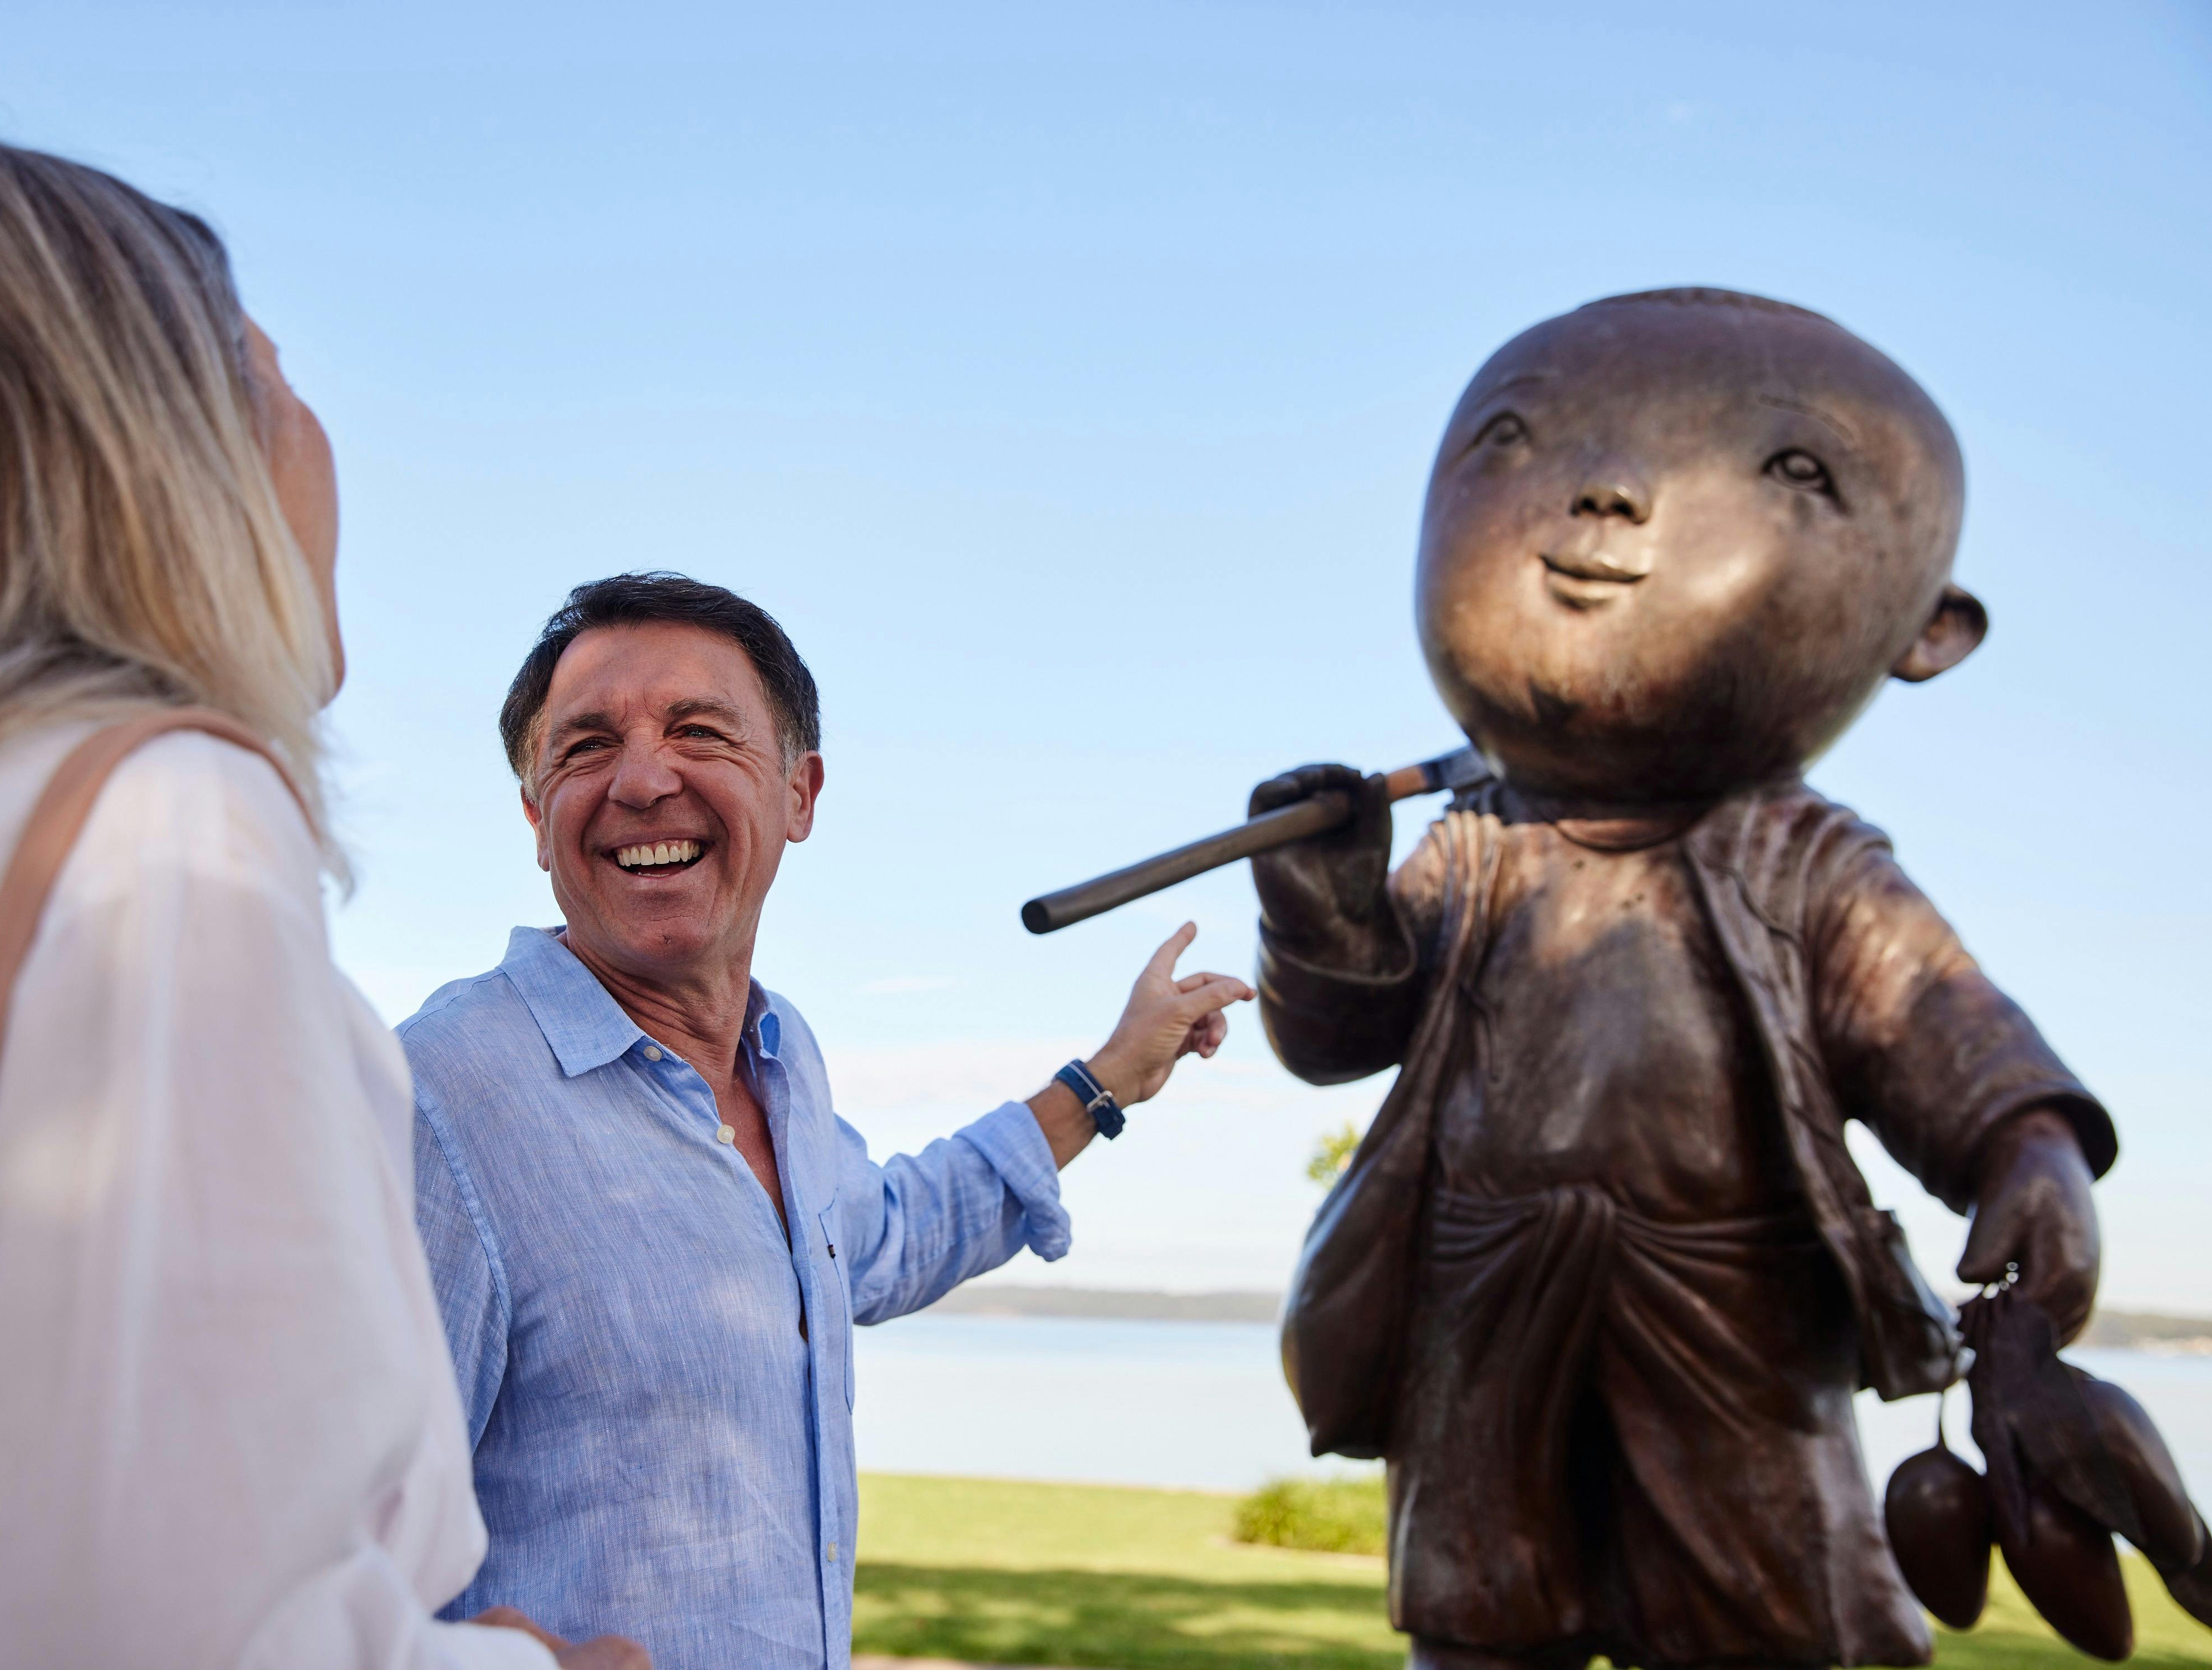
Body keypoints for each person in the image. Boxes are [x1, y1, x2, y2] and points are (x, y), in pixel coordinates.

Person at [0, 139, 637, 1670]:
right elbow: (191, 1636)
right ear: (165, 456)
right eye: (273, 383)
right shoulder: (156, 841)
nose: (321, 444)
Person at [1258, 288, 2116, 1670]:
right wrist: (1324, 902)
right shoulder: (1474, 843)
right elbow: (1335, 1037)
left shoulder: (1802, 859)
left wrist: (2028, 1145)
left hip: (1733, 1298)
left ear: (1925, 630)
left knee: (1781, 1620)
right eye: (1518, 440)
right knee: (1479, 1619)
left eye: (1790, 470)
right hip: (1478, 1286)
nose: (1604, 491)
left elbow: (1934, 1020)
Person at [401, 572, 1255, 1670]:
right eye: (583, 748)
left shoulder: (781, 1058)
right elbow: (304, 1544)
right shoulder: (436, 1096)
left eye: (698, 731)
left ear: (799, 794)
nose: (642, 779)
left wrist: (1104, 1082)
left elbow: (882, 1233)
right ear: (534, 814)